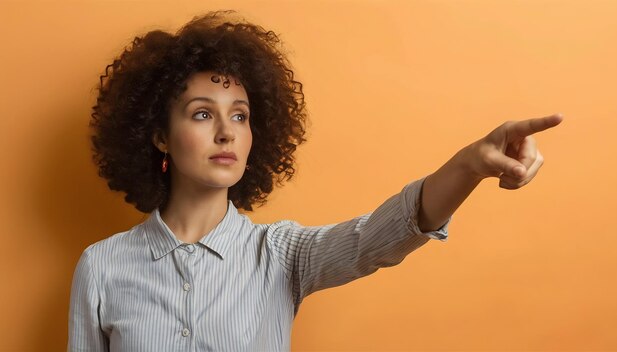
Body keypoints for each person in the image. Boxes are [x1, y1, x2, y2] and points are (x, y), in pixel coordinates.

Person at [67, 9, 563, 352]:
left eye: (240, 116)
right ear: (158, 135)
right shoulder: (104, 267)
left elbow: (377, 238)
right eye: (201, 114)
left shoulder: (280, 255)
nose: (226, 132)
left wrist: (467, 166)